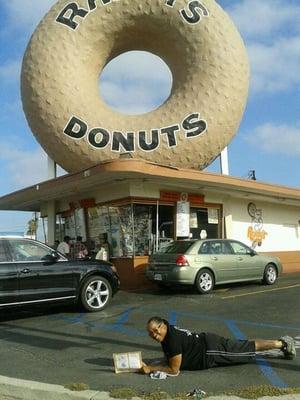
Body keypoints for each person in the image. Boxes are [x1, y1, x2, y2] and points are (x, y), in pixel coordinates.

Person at [140, 316, 296, 376]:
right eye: (150, 333)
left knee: (245, 349)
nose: (154, 335)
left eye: (155, 330)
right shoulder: (169, 330)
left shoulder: (171, 340)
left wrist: (151, 368)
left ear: (163, 326)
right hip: (209, 343)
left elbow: (174, 370)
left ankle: (282, 343)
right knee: (244, 346)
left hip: (211, 350)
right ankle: (280, 343)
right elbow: (172, 357)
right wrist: (157, 363)